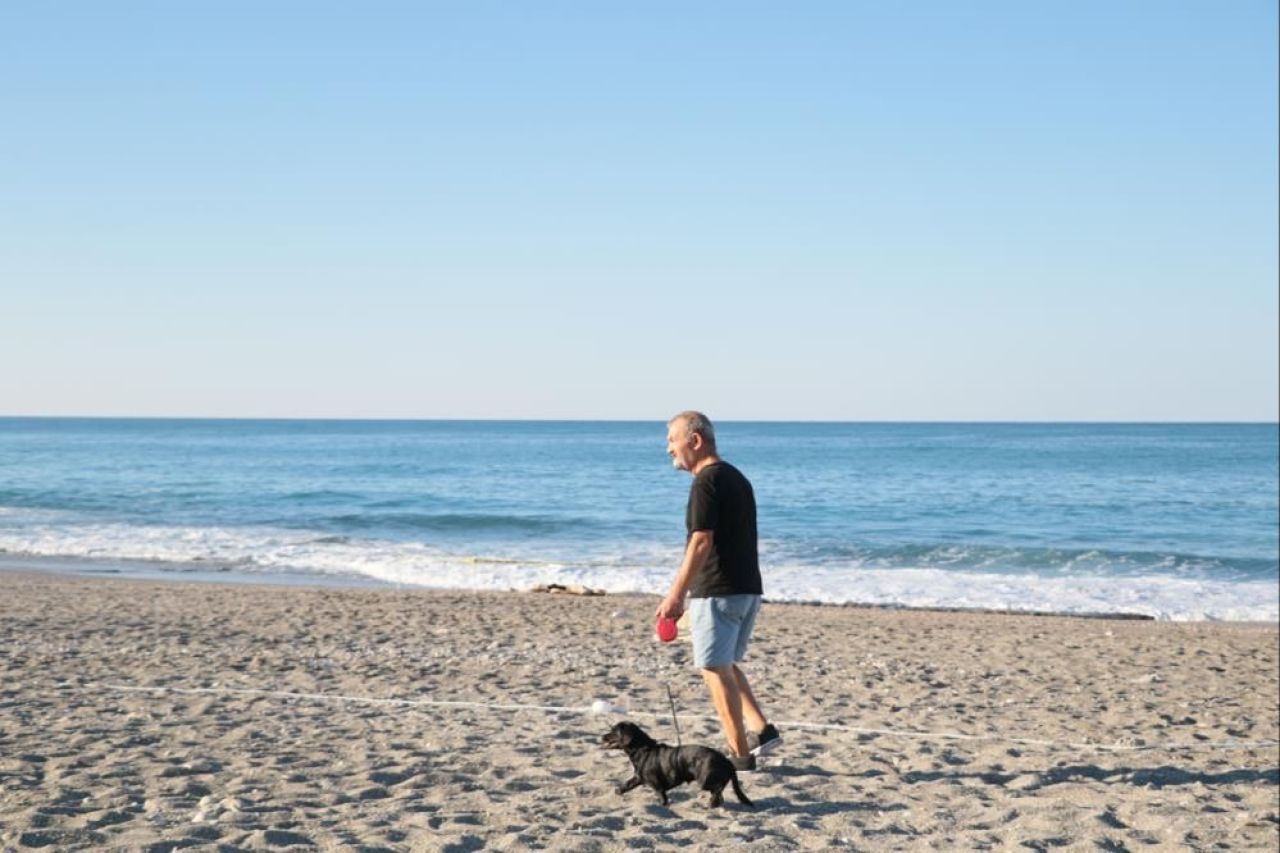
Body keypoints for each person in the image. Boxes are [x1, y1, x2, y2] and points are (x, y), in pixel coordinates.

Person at [657, 411, 781, 771]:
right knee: (723, 662)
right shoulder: (736, 477)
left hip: (718, 590)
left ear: (694, 441)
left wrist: (675, 595)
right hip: (746, 589)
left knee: (713, 667)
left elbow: (701, 542)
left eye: (672, 440)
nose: (668, 449)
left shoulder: (706, 481)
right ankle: (763, 730)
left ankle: (739, 757)